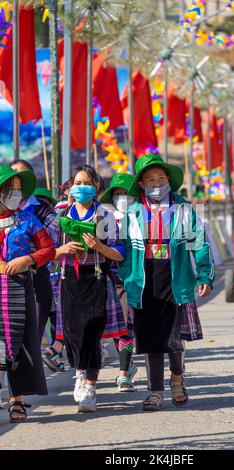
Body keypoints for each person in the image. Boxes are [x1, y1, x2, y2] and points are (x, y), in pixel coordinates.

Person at [119, 154, 215, 412]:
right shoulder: (133, 212)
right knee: (150, 339)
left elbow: (200, 243)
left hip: (175, 276)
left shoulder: (183, 209)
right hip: (144, 278)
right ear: (141, 184)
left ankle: (177, 378)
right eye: (150, 179)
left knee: (174, 337)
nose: (157, 183)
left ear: (169, 180)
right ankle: (155, 391)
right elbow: (126, 251)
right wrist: (125, 282)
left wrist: (205, 275)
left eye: (161, 178)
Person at [51, 165, 126, 413]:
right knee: (72, 333)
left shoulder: (105, 215)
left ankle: (91, 388)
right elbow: (44, 250)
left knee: (92, 332)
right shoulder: (60, 214)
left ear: (96, 187)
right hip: (68, 279)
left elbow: (119, 252)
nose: (81, 187)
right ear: (70, 186)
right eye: (78, 182)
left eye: (87, 183)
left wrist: (99, 247)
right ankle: (80, 374)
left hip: (96, 278)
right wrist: (61, 250)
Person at [0, 165, 55, 422]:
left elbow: (49, 250)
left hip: (19, 288)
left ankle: (16, 400)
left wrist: (28, 259)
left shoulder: (28, 220)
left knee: (17, 342)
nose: (15, 193)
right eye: (10, 189)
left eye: (18, 189)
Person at [100, 173, 138, 392]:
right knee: (117, 325)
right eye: (118, 194)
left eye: (127, 194)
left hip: (137, 276)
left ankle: (125, 372)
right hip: (110, 276)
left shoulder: (143, 217)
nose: (123, 198)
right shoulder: (105, 217)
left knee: (127, 325)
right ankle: (126, 369)